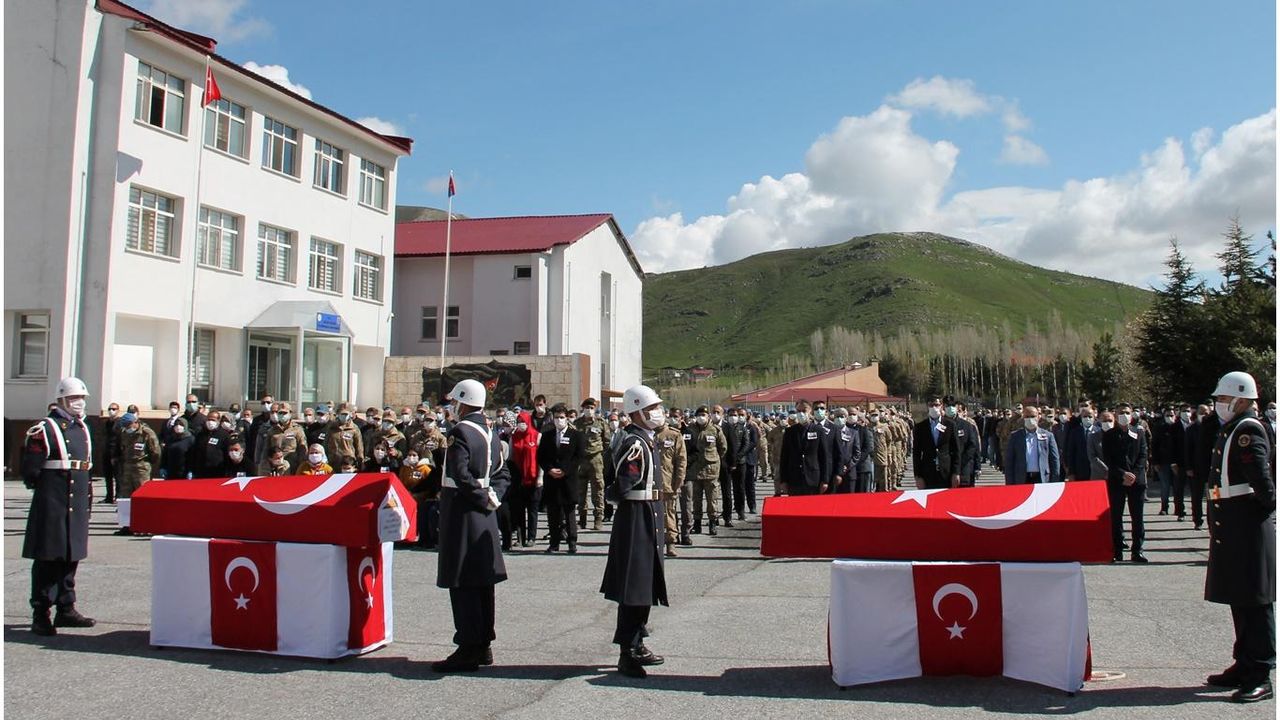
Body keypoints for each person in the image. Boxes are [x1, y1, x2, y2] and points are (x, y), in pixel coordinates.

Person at [1203, 372, 1275, 703]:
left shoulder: (1247, 429)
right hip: (1233, 526)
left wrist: (1261, 510)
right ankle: (1243, 662)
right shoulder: (1234, 427)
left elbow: (1261, 479)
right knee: (1240, 598)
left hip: (1246, 525)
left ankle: (1259, 672)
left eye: (1222, 399)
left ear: (1241, 399)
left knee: (1254, 602)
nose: (1218, 405)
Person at [432, 379, 510, 673]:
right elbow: (503, 474)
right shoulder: (490, 432)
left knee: (463, 581)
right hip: (485, 513)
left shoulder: (460, 432)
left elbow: (459, 473)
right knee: (482, 583)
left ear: (462, 402)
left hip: (463, 513)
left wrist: (480, 497)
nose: (452, 406)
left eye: (454, 401)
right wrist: (493, 499)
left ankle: (467, 646)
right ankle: (483, 644)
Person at [601, 384, 669, 678]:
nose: (658, 412)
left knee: (645, 584)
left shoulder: (647, 439)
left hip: (649, 512)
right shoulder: (636, 442)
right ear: (638, 412)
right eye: (652, 408)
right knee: (634, 585)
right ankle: (627, 650)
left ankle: (638, 640)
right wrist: (614, 496)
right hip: (636, 514)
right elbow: (625, 480)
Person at [21, 377, 97, 635]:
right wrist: (47, 494)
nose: (79, 403)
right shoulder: (45, 428)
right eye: (74, 398)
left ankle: (66, 608)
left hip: (76, 500)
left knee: (71, 555)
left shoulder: (82, 428)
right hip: (52, 501)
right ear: (61, 400)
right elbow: (31, 471)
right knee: (48, 558)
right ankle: (40, 612)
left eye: (82, 399)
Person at [1102, 403, 1149, 563]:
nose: (1124, 415)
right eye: (1121, 412)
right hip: (1117, 480)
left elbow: (1143, 455)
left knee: (1138, 517)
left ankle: (1138, 550)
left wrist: (1134, 474)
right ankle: (1117, 550)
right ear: (1115, 415)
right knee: (1116, 516)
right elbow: (1108, 458)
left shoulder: (1139, 433)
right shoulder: (1109, 435)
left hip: (1137, 481)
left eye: (1127, 412)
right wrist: (1122, 474)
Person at [539, 404, 585, 554]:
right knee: (553, 513)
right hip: (551, 479)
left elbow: (579, 457)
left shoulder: (576, 435)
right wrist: (549, 469)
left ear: (567, 418)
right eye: (557, 417)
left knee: (569, 512)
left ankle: (572, 542)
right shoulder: (547, 435)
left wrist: (565, 470)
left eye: (562, 417)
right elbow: (541, 456)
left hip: (568, 480)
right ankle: (554, 543)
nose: (559, 420)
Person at [573, 398, 612, 532]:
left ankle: (598, 518)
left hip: (596, 459)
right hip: (581, 460)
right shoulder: (577, 424)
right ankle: (582, 519)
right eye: (587, 407)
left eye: (591, 408)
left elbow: (607, 442)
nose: (589, 410)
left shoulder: (601, 423)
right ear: (583, 408)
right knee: (580, 491)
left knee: (598, 490)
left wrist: (599, 453)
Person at [686, 406, 725, 535]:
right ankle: (697, 524)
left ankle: (712, 524)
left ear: (708, 416)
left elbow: (722, 448)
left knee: (712, 500)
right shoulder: (690, 430)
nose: (702, 417)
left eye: (704, 414)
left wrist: (714, 459)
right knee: (696, 500)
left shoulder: (715, 430)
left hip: (711, 470)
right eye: (699, 414)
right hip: (695, 470)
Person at [779, 400, 831, 496]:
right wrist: (783, 480)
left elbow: (824, 457)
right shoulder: (790, 432)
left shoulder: (818, 430)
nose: (801, 413)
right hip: (794, 479)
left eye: (804, 410)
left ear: (810, 411)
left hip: (813, 479)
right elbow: (784, 457)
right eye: (798, 411)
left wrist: (825, 480)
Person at [507, 410, 541, 548]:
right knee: (519, 509)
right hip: (518, 478)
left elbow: (541, 458)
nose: (521, 424)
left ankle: (531, 537)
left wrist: (540, 477)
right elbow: (509, 457)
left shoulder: (537, 436)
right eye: (519, 421)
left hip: (533, 477)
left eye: (523, 421)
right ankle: (521, 537)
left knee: (532, 510)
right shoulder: (514, 437)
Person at [1003, 405, 1061, 485]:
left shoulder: (1048, 436)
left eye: (1033, 416)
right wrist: (1009, 482)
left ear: (1038, 417)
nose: (1030, 419)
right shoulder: (1015, 436)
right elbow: (1009, 461)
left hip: (1042, 478)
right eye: (1027, 416)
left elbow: (1055, 459)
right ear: (1023, 418)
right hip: (1022, 479)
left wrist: (1055, 481)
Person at [656, 414, 687, 557]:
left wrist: (678, 483)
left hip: (667, 482)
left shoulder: (673, 435)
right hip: (649, 483)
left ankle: (670, 543)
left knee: (669, 513)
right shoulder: (646, 434)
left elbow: (681, 461)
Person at [913, 397, 958, 490]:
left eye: (936, 405)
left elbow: (956, 450)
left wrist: (956, 473)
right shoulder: (920, 427)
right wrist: (918, 476)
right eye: (931, 405)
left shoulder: (950, 425)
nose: (934, 408)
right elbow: (916, 453)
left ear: (941, 406)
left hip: (946, 472)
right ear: (927, 407)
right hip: (927, 473)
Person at [398, 449, 438, 549]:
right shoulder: (404, 468)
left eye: (414, 455)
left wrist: (416, 495)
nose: (411, 457)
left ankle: (429, 539)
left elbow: (428, 486)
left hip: (424, 496)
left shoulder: (425, 469)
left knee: (425, 509)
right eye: (409, 455)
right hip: (409, 494)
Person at [262, 402, 308, 474]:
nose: (282, 415)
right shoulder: (272, 430)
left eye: (285, 413)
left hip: (293, 466)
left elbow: (303, 449)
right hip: (276, 467)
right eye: (280, 413)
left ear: (290, 413)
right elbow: (266, 449)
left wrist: (302, 466)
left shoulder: (297, 429)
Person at [188, 410, 230, 479]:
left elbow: (227, 454)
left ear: (218, 421)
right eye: (209, 419)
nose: (210, 422)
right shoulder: (200, 434)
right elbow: (194, 452)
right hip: (200, 472)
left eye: (213, 420)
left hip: (217, 472)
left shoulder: (224, 435)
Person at [101, 402, 122, 504]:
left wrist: (116, 455)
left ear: (118, 410)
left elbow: (119, 439)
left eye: (114, 409)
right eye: (110, 409)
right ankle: (109, 497)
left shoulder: (120, 423)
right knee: (107, 476)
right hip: (106, 452)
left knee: (117, 476)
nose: (111, 411)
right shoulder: (106, 422)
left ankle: (118, 496)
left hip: (115, 453)